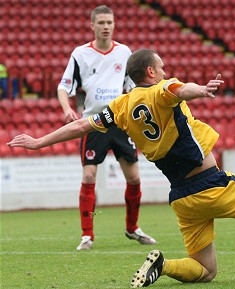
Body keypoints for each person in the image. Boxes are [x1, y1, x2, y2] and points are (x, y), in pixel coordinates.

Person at [8, 48, 235, 287]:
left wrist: (39, 141)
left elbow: (81, 126)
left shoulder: (119, 105)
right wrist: (201, 89)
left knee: (206, 271)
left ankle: (163, 266)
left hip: (182, 197)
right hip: (211, 183)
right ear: (151, 72)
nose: (166, 72)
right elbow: (179, 89)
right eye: (161, 67)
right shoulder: (162, 88)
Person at [57, 5, 156, 250]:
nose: (105, 27)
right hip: (93, 123)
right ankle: (87, 235)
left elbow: (134, 86)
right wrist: (66, 109)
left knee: (133, 178)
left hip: (121, 121)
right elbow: (63, 86)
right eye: (100, 22)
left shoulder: (124, 52)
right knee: (89, 175)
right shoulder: (80, 54)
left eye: (109, 22)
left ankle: (132, 228)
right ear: (92, 25)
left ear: (114, 24)